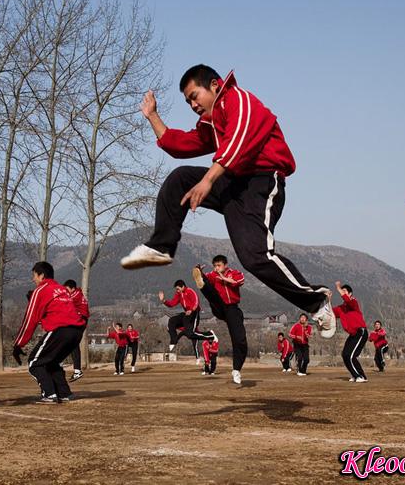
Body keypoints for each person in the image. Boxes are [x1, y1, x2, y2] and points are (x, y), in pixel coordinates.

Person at [120, 64, 335, 332]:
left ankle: (316, 301)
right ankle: (162, 245)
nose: (192, 105)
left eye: (194, 96)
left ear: (214, 85)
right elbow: (182, 144)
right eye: (187, 102)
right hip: (232, 182)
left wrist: (208, 181)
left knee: (254, 257)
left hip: (262, 182)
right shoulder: (212, 123)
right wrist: (152, 116)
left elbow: (238, 142)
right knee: (180, 178)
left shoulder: (239, 100)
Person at [13, 262, 86, 404]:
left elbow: (29, 320)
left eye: (34, 275)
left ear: (41, 275)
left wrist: (18, 344)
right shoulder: (62, 289)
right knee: (51, 362)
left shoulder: (41, 290)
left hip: (61, 330)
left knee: (35, 362)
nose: (33, 279)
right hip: (77, 332)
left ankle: (50, 394)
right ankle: (64, 393)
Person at [192, 255, 250, 384]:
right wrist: (199, 272)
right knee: (210, 289)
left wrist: (224, 278)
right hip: (219, 307)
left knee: (240, 341)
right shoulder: (213, 275)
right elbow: (208, 277)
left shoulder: (234, 273)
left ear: (225, 265)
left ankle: (236, 370)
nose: (216, 268)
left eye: (219, 265)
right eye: (215, 266)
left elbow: (238, 281)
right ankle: (202, 286)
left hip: (232, 310)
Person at [159, 280, 216, 353]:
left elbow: (196, 302)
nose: (177, 290)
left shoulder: (190, 291)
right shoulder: (179, 294)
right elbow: (172, 303)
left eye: (178, 289)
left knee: (190, 334)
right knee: (172, 321)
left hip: (194, 314)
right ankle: (173, 341)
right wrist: (164, 301)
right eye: (176, 289)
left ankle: (210, 335)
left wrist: (191, 310)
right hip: (186, 314)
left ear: (183, 286)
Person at [332, 282, 368, 383]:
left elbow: (347, 300)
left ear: (350, 293)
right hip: (353, 334)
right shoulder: (341, 308)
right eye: (342, 291)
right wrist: (328, 300)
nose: (342, 293)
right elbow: (331, 313)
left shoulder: (353, 302)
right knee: (345, 355)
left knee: (351, 356)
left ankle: (360, 376)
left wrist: (339, 289)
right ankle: (356, 375)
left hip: (360, 332)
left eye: (345, 291)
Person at [63, 279, 90, 382]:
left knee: (70, 342)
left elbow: (63, 303)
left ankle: (76, 370)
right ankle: (77, 370)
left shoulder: (75, 295)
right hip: (79, 320)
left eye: (67, 289)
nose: (66, 291)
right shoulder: (77, 293)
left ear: (73, 289)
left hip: (80, 320)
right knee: (72, 344)